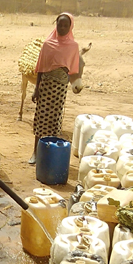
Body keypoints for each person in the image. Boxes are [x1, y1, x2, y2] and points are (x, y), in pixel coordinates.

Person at [28, 13, 84, 165]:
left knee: (55, 121)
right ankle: (35, 153)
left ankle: (50, 156)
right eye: (60, 25)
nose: (62, 28)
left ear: (70, 27)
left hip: (60, 88)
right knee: (41, 119)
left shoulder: (73, 47)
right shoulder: (47, 44)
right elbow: (40, 68)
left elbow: (72, 70)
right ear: (56, 25)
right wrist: (36, 89)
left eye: (66, 25)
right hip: (45, 86)